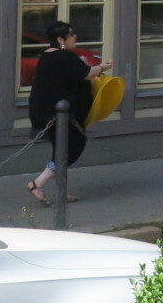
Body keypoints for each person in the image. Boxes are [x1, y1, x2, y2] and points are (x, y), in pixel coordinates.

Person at [26, 21, 110, 207]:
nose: (75, 37)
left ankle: (61, 191)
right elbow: (87, 74)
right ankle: (37, 184)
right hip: (60, 115)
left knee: (61, 149)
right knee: (73, 147)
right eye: (71, 34)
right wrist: (103, 67)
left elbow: (71, 74)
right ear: (60, 40)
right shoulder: (63, 56)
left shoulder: (48, 56)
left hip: (47, 112)